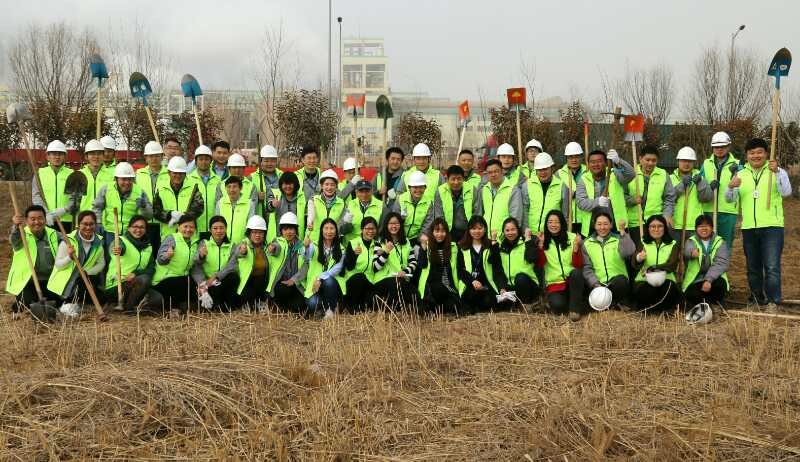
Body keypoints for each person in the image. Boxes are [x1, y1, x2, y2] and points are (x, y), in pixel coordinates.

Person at [725, 137, 792, 310]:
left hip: (772, 226)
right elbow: (729, 199)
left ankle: (773, 301)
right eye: (752, 153)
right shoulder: (740, 174)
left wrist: (777, 172)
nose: (756, 156)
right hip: (749, 228)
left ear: (766, 153)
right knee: (753, 267)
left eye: (759, 152)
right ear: (747, 155)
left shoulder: (776, 171)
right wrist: (730, 187)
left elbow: (786, 192)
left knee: (771, 266)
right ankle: (756, 298)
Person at [7, 205, 60, 317]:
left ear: (45, 220)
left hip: (49, 281)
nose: (37, 222)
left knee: (58, 303)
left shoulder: (54, 234)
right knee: (27, 304)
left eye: (40, 218)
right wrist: (16, 226)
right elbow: (14, 239)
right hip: (27, 282)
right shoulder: (21, 234)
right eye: (33, 219)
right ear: (26, 221)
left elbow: (70, 241)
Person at [47, 210, 106, 309]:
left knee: (103, 299)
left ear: (95, 225)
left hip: (84, 280)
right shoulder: (68, 241)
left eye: (91, 224)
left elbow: (101, 263)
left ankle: (77, 302)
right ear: (78, 225)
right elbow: (58, 265)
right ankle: (66, 302)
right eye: (85, 224)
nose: (88, 227)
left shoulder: (98, 242)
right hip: (64, 283)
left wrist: (87, 272)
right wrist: (69, 257)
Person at [106, 215, 162, 313]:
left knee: (158, 298)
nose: (138, 230)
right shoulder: (120, 241)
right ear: (129, 228)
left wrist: (135, 273)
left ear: (145, 230)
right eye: (135, 226)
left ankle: (131, 305)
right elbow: (115, 248)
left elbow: (151, 269)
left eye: (141, 227)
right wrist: (118, 249)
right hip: (117, 285)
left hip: (137, 284)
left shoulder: (148, 247)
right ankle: (128, 307)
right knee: (144, 279)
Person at [536, 210, 585, 321]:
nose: (553, 225)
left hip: (571, 280)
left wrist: (576, 248)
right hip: (555, 283)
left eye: (557, 222)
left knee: (577, 273)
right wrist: (540, 246)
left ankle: (575, 310)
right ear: (546, 224)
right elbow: (540, 264)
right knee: (558, 307)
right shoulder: (543, 239)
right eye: (550, 222)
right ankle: (572, 302)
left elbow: (578, 264)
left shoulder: (572, 238)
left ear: (562, 223)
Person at [581, 209, 635, 310]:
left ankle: (615, 302)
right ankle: (612, 304)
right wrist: (595, 284)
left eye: (606, 224)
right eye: (599, 224)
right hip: (598, 285)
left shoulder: (619, 239)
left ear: (611, 225)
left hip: (617, 282)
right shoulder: (586, 243)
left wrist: (623, 232)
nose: (602, 227)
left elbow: (629, 252)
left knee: (621, 282)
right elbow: (586, 267)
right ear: (594, 225)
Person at [93, 162, 153, 248]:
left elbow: (149, 216)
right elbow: (97, 207)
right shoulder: (106, 189)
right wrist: (98, 223)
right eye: (124, 179)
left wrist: (144, 207)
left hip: (131, 234)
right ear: (116, 179)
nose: (127, 182)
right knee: (111, 259)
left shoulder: (140, 192)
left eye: (130, 179)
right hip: (110, 232)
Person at [624, 145, 676, 244]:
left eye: (654, 160)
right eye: (647, 160)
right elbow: (622, 196)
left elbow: (669, 198)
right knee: (638, 255)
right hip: (635, 222)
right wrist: (633, 200)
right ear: (640, 159)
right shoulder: (630, 173)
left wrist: (667, 215)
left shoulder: (663, 174)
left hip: (655, 223)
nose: (650, 163)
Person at [631, 215, 681, 314]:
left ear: (665, 228)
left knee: (668, 290)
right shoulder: (642, 242)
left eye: (660, 226)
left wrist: (653, 268)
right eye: (653, 226)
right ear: (648, 228)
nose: (656, 229)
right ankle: (652, 309)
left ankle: (661, 309)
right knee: (647, 291)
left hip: (666, 279)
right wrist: (639, 258)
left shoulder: (672, 244)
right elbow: (634, 262)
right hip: (644, 279)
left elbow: (672, 264)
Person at [575, 149, 634, 232]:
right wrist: (598, 202)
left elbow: (631, 174)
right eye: (592, 162)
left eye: (599, 161)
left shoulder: (614, 174)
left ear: (606, 163)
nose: (596, 164)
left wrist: (618, 161)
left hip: (616, 226)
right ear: (588, 164)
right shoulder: (583, 179)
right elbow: (580, 203)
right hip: (592, 228)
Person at [152, 215, 200, 317]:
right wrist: (167, 256)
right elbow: (160, 260)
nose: (188, 229)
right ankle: (173, 309)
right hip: (164, 280)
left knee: (193, 285)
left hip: (181, 279)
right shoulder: (171, 238)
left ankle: (183, 307)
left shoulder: (194, 244)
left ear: (195, 229)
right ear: (178, 227)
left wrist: (201, 257)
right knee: (184, 281)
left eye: (191, 227)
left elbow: (193, 265)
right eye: (185, 226)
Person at [191, 215, 238, 311]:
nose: (218, 231)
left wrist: (216, 277)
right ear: (210, 230)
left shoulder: (232, 245)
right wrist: (201, 256)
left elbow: (231, 266)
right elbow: (195, 264)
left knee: (233, 277)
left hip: (222, 280)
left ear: (226, 229)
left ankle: (223, 305)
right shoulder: (204, 243)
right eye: (215, 228)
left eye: (221, 228)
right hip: (207, 283)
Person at [456, 215, 502, 314]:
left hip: (486, 284)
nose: (477, 231)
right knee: (470, 298)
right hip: (470, 283)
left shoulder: (491, 245)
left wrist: (494, 241)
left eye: (480, 228)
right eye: (473, 228)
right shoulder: (462, 247)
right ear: (469, 230)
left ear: (485, 229)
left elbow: (496, 263)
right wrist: (472, 281)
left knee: (490, 302)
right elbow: (460, 270)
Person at [372, 212, 419, 309]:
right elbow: (376, 266)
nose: (394, 226)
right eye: (391, 223)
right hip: (383, 280)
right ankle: (396, 310)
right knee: (394, 283)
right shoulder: (379, 242)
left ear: (401, 225)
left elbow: (413, 262)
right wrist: (386, 252)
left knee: (416, 295)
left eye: (396, 223)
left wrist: (404, 271)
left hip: (401, 278)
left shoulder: (406, 242)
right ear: (386, 225)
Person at [682, 215, 730, 307]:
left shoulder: (720, 241)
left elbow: (721, 263)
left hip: (714, 278)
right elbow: (687, 251)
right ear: (696, 229)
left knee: (720, 286)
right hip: (696, 279)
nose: (704, 228)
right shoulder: (691, 241)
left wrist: (708, 280)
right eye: (700, 226)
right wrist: (691, 253)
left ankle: (712, 303)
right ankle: (708, 304)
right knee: (691, 295)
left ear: (712, 228)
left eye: (707, 225)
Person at [703, 131, 739, 249]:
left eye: (722, 146)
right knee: (707, 244)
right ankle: (709, 267)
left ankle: (722, 267)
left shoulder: (738, 164)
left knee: (724, 245)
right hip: (708, 210)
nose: (719, 149)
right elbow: (701, 185)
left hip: (728, 212)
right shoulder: (706, 164)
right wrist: (708, 188)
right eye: (716, 147)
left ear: (728, 146)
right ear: (712, 148)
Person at [266, 212, 309, 314]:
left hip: (296, 283)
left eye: (291, 229)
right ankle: (277, 305)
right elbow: (276, 248)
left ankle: (286, 308)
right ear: (281, 231)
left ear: (296, 230)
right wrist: (272, 248)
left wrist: (294, 280)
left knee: (300, 306)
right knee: (282, 290)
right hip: (281, 283)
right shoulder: (279, 241)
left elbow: (305, 265)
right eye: (285, 229)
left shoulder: (301, 245)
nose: (288, 232)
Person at [153, 156, 204, 239]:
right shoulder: (160, 187)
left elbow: (199, 208)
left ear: (185, 174)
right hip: (168, 236)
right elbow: (156, 211)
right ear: (169, 173)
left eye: (181, 173)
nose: (178, 176)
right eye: (175, 173)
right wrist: (170, 215)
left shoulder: (193, 187)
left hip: (189, 236)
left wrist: (182, 217)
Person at [494, 217, 539, 309]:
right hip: (511, 286)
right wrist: (502, 288)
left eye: (513, 229)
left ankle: (526, 304)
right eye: (507, 230)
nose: (510, 233)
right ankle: (516, 304)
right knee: (496, 303)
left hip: (528, 284)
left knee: (520, 278)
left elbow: (532, 258)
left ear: (518, 230)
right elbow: (498, 270)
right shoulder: (501, 247)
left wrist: (528, 239)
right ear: (503, 232)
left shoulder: (526, 242)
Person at [417, 218, 461, 314]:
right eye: (437, 231)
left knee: (455, 307)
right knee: (437, 288)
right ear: (432, 232)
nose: (440, 234)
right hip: (431, 287)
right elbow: (422, 265)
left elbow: (458, 268)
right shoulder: (427, 246)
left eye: (443, 231)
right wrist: (423, 247)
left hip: (448, 285)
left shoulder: (453, 247)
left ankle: (436, 307)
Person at [305, 218, 346, 319]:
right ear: (321, 231)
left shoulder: (341, 248)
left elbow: (338, 268)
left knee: (329, 281)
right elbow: (306, 256)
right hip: (315, 286)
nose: (329, 231)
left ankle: (331, 310)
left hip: (333, 285)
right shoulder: (313, 245)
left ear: (336, 231)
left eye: (332, 228)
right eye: (326, 228)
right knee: (312, 304)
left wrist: (320, 278)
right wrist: (305, 247)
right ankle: (325, 306)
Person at [670, 147, 712, 244]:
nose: (687, 164)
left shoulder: (701, 178)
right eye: (684, 161)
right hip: (674, 225)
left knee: (692, 255)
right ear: (678, 161)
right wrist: (682, 185)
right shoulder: (670, 178)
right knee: (674, 255)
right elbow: (668, 198)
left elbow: (706, 199)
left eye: (690, 161)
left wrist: (700, 184)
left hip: (695, 225)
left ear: (694, 162)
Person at [520, 152, 568, 234]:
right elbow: (525, 210)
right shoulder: (527, 185)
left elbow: (565, 214)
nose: (542, 172)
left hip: (552, 235)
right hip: (532, 234)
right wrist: (526, 231)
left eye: (545, 169)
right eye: (539, 170)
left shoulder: (562, 186)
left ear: (552, 168)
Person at [229, 215, 271, 308]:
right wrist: (242, 252)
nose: (257, 235)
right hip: (247, 282)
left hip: (262, 281)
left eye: (260, 232)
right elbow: (239, 253)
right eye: (254, 232)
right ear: (249, 233)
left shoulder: (267, 247)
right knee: (247, 296)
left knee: (261, 283)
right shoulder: (244, 244)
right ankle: (247, 303)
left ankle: (260, 302)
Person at [475, 159, 523, 239]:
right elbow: (480, 214)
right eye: (490, 172)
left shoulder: (513, 190)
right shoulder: (484, 189)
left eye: (496, 171)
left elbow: (516, 217)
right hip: (486, 238)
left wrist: (507, 236)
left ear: (502, 171)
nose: (493, 174)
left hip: (506, 238)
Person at [427, 165, 477, 242]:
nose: (456, 182)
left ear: (463, 179)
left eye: (459, 179)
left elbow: (477, 212)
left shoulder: (473, 190)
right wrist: (443, 233)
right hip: (448, 232)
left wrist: (473, 231)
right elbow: (439, 215)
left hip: (469, 231)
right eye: (453, 179)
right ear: (447, 179)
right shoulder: (440, 191)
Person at [33, 140, 75, 231]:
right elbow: (36, 196)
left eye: (60, 154)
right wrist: (45, 213)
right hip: (45, 220)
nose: (57, 157)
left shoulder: (72, 174)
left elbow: (76, 197)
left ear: (65, 156)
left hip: (66, 220)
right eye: (53, 154)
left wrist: (65, 209)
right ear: (47, 156)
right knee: (48, 245)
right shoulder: (39, 173)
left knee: (65, 245)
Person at [136, 141, 170, 248]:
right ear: (146, 158)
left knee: (161, 252)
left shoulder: (170, 174)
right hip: (143, 222)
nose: (154, 159)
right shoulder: (138, 174)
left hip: (163, 222)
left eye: (157, 156)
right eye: (151, 156)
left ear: (162, 157)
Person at [186, 145, 223, 240]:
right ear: (196, 161)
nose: (203, 162)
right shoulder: (188, 180)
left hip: (214, 229)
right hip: (195, 228)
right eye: (201, 159)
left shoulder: (218, 181)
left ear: (211, 161)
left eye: (206, 159)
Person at [342, 216, 379, 311]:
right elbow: (349, 267)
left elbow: (377, 267)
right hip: (353, 281)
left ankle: (361, 306)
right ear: (362, 229)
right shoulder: (353, 243)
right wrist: (355, 255)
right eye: (368, 228)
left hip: (369, 282)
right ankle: (351, 305)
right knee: (360, 277)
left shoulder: (377, 245)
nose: (370, 231)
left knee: (375, 300)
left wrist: (383, 254)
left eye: (373, 229)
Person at [392, 170, 433, 243]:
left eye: (421, 187)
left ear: (425, 188)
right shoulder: (400, 199)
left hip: (418, 238)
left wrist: (419, 241)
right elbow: (395, 221)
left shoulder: (429, 202)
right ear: (409, 188)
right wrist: (400, 238)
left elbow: (427, 224)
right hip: (400, 237)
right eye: (415, 187)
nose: (418, 190)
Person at [75, 139, 114, 213]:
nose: (96, 157)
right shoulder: (79, 175)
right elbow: (75, 201)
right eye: (92, 154)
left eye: (99, 154)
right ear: (86, 156)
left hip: (104, 220)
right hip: (85, 219)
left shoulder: (111, 176)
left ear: (103, 156)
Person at [307, 169, 346, 242]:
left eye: (332, 185)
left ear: (336, 186)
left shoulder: (341, 203)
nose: (329, 187)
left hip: (332, 242)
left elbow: (341, 224)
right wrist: (310, 221)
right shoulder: (313, 200)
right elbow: (310, 213)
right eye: (326, 184)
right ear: (321, 186)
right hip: (314, 241)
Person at [558, 142, 588, 235]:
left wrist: (576, 194)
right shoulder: (559, 174)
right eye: (571, 157)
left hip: (585, 218)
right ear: (566, 158)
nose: (574, 160)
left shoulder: (588, 171)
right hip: (568, 220)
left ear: (581, 157)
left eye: (576, 157)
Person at [215, 176, 256, 245]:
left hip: (242, 245)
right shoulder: (220, 203)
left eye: (234, 186)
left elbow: (251, 227)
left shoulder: (249, 204)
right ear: (225, 188)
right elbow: (216, 225)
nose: (232, 190)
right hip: (223, 245)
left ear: (240, 188)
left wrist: (245, 243)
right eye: (229, 187)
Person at [266, 172, 306, 243]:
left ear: (295, 184)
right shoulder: (274, 193)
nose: (287, 186)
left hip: (296, 239)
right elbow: (268, 208)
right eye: (285, 184)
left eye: (290, 184)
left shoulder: (302, 196)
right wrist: (272, 204)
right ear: (281, 185)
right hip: (277, 239)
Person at [251, 145, 283, 220]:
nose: (269, 164)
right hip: (260, 219)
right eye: (266, 161)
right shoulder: (251, 178)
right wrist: (256, 198)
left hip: (279, 219)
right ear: (260, 161)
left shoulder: (283, 176)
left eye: (272, 161)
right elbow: (245, 200)